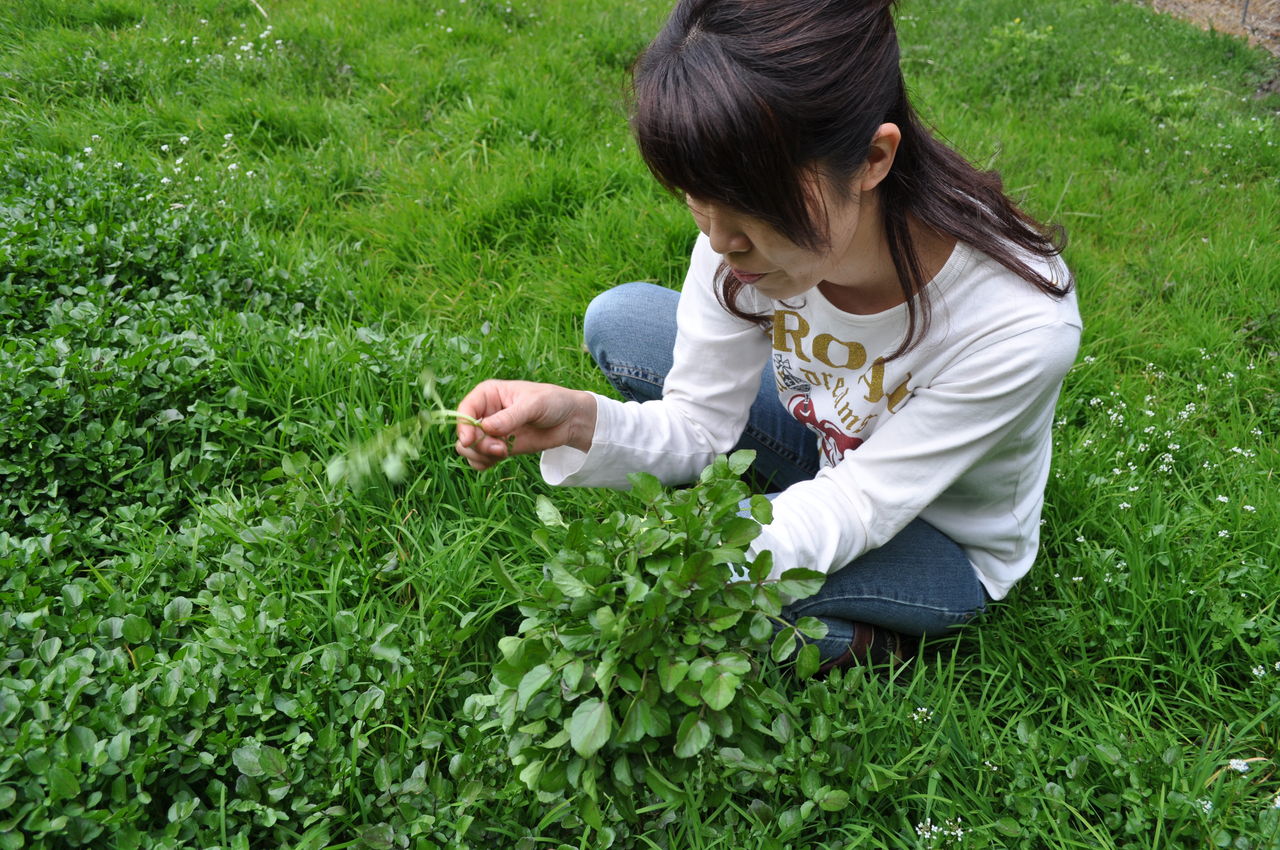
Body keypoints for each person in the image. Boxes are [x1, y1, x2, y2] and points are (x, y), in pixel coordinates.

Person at [455, 0, 1081, 671]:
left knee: (727, 614)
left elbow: (858, 503)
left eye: (750, 205)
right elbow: (699, 425)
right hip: (823, 441)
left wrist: (695, 568)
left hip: (935, 535)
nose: (721, 242)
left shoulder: (1016, 326)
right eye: (698, 200)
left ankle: (873, 645)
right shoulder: (738, 239)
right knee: (623, 319)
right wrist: (579, 421)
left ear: (872, 159)